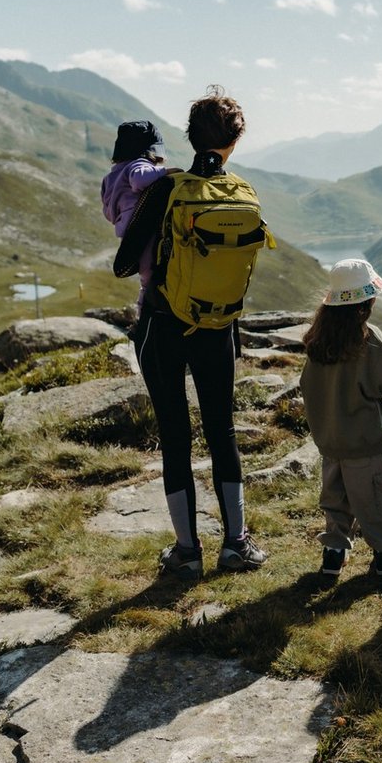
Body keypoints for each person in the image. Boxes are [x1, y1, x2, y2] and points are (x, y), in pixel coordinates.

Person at [114, 87, 266, 576]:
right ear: (234, 142)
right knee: (222, 431)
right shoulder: (242, 191)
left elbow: (122, 263)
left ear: (188, 135)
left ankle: (186, 552)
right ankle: (236, 544)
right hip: (219, 327)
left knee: (176, 435)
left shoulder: (166, 189)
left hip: (163, 324)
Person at [300, 259, 382, 578]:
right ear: (367, 301)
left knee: (335, 499)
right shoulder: (368, 340)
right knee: (374, 502)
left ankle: (333, 553)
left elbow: (307, 385)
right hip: (364, 442)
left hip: (329, 440)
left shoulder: (317, 341)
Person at [100, 120, 170, 323]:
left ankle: (144, 316)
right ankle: (143, 319)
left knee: (145, 277)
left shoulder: (112, 175)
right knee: (149, 278)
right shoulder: (138, 165)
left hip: (129, 230)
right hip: (143, 227)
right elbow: (140, 180)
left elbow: (107, 209)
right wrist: (166, 172)